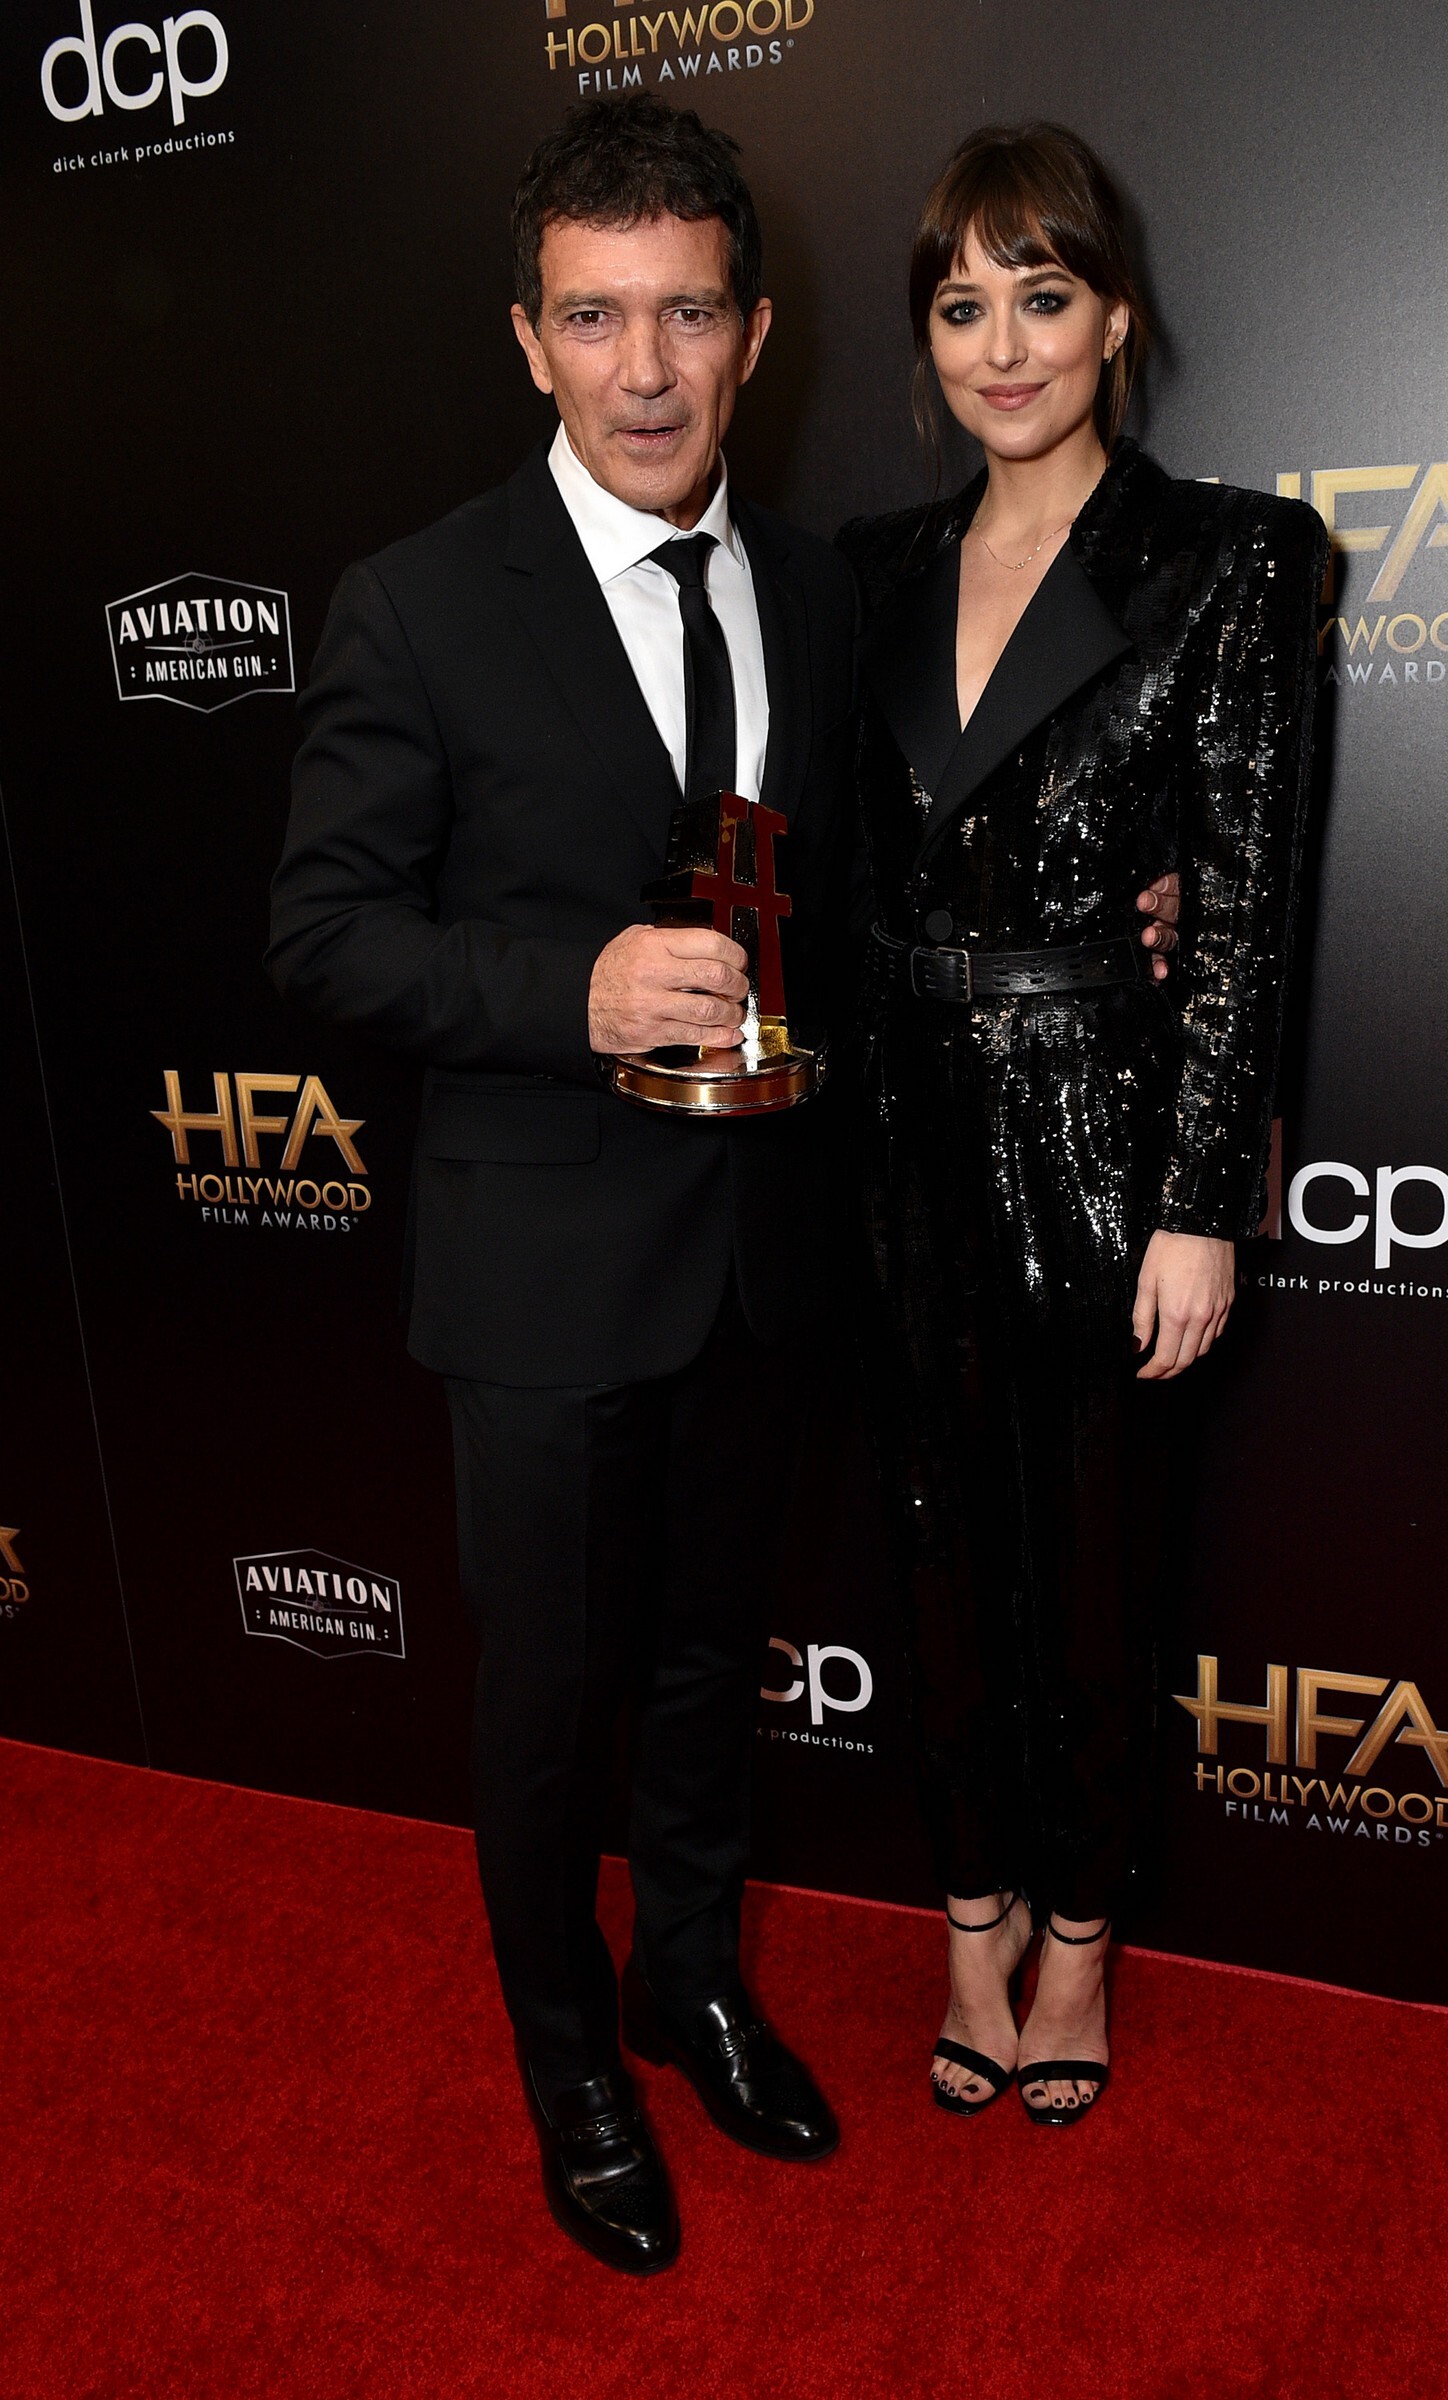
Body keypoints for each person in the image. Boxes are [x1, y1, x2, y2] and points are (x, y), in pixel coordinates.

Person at [266, 94, 862, 2278]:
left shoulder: (815, 586)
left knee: (706, 1669)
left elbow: (856, 898)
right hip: (535, 1272)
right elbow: (324, 934)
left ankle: (688, 1983)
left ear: (753, 331)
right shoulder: (421, 602)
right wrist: (568, 990)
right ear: (527, 339)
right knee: (544, 1708)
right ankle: (567, 2063)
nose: (644, 370)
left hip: (757, 1253)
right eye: (594, 318)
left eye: (686, 314)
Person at [837, 123, 1325, 2126]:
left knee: (1104, 1574)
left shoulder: (1230, 556)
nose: (1003, 346)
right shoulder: (864, 571)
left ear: (1113, 319)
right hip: (892, 1138)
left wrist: (1201, 1199)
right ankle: (970, 1921)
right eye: (961, 307)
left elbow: (1246, 899)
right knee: (933, 1557)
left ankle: (1085, 1933)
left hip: (1109, 1137)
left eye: (1041, 296)